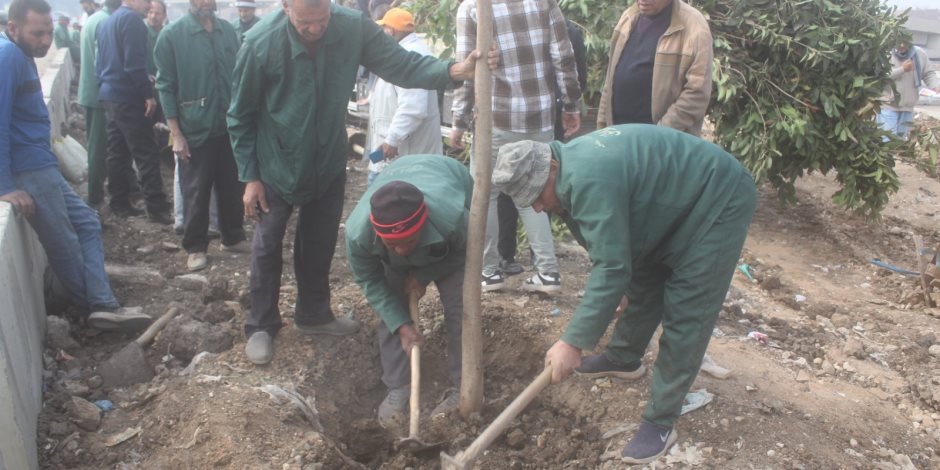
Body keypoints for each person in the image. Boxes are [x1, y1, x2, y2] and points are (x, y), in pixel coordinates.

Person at [227, 0, 489, 365]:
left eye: (322, 21)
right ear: (286, 8)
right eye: (306, 24)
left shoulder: (353, 28)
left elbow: (401, 65)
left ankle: (314, 313)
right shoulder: (260, 43)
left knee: (318, 240)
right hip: (276, 161)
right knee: (268, 243)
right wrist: (250, 176)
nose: (316, 29)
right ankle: (261, 324)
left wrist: (455, 70)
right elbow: (240, 114)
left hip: (327, 159)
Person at [491, 124, 756, 463]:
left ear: (551, 167)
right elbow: (613, 258)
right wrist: (618, 288)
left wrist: (572, 342)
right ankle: (623, 358)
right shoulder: (566, 179)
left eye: (538, 195)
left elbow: (612, 269)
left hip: (718, 198)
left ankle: (660, 421)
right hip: (669, 207)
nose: (539, 208)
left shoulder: (588, 178)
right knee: (644, 279)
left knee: (687, 309)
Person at [1, 0, 152, 333]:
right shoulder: (8, 57)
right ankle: (96, 310)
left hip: (41, 165)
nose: (44, 40)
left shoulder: (20, 55)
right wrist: (5, 185)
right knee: (65, 242)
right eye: (36, 33)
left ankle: (100, 303)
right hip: (30, 171)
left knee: (87, 223)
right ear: (13, 28)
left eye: (47, 32)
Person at [450, 0, 582, 295]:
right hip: (540, 114)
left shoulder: (472, 7)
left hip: (496, 117)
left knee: (486, 193)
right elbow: (564, 57)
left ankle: (488, 272)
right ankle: (547, 272)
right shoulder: (542, 2)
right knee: (534, 190)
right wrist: (571, 105)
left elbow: (466, 70)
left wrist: (458, 120)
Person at [346, 155, 469, 426]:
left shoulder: (453, 217)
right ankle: (398, 385)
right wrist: (401, 324)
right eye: (393, 245)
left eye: (408, 241)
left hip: (446, 237)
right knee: (392, 308)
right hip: (403, 204)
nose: (402, 250)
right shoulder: (358, 235)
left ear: (422, 226)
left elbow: (467, 252)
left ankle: (463, 385)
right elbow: (370, 281)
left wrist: (425, 274)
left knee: (462, 309)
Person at [155, 0, 246, 272]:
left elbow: (241, 76)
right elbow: (165, 86)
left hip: (228, 125)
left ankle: (232, 237)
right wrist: (176, 133)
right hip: (194, 129)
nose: (205, 2)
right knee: (196, 190)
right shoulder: (172, 36)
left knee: (232, 185)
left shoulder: (228, 32)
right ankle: (195, 247)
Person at [97, 0, 173, 224]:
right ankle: (157, 209)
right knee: (146, 152)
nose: (149, 5)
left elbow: (100, 65)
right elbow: (133, 63)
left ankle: (119, 203)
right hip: (128, 97)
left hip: (110, 94)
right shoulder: (132, 21)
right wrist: (147, 94)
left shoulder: (108, 21)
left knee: (117, 151)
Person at [596, 0, 713, 136]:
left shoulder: (694, 27)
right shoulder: (628, 17)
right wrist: (602, 128)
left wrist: (658, 134)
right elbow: (610, 79)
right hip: (617, 137)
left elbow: (697, 94)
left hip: (661, 146)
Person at [364, 7, 442, 185]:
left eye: (384, 29)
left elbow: (413, 108)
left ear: (391, 30)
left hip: (401, 154)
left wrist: (392, 140)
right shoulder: (406, 52)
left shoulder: (409, 55)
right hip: (395, 151)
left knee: (381, 198)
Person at [77, 0, 121, 208]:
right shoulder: (107, 22)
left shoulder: (95, 19)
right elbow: (102, 64)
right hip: (101, 96)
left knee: (98, 146)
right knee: (99, 149)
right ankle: (95, 199)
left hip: (91, 93)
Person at [878, 39, 930, 139]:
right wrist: (902, 69)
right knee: (886, 140)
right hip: (888, 105)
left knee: (901, 140)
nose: (901, 45)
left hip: (908, 106)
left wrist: (935, 85)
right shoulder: (886, 53)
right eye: (899, 43)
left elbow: (928, 73)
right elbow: (881, 76)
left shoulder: (919, 54)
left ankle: (897, 154)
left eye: (904, 43)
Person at [145, 0, 165, 77]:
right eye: (150, 12)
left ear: (164, 15)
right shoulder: (142, 32)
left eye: (157, 13)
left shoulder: (168, 34)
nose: (153, 16)